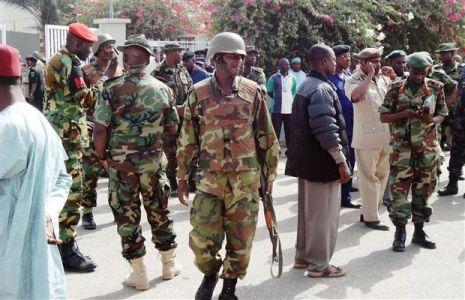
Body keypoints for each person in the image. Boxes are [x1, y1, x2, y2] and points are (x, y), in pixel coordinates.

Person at [177, 32, 279, 300]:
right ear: (217, 58)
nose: (239, 61)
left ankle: (229, 287)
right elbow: (188, 139)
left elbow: (267, 138)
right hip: (209, 182)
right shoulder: (198, 94)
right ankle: (210, 273)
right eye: (233, 56)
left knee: (241, 241)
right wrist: (181, 178)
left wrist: (269, 177)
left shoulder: (252, 92)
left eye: (241, 57)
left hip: (245, 182)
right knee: (202, 242)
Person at [93, 34, 182, 291]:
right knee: (160, 211)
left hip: (121, 166)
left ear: (125, 56)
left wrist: (102, 158)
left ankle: (139, 273)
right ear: (148, 58)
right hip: (153, 163)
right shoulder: (162, 88)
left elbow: (100, 130)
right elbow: (172, 127)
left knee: (127, 217)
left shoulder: (110, 88)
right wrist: (156, 148)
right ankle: (168, 265)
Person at [0, 44, 71, 299]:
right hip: (36, 246)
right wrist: (47, 213)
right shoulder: (39, 120)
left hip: (10, 247)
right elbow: (63, 178)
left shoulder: (6, 126)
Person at [286, 43, 350, 277]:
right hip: (322, 164)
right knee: (323, 216)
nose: (336, 64)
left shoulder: (306, 85)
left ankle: (303, 258)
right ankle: (319, 265)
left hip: (308, 164)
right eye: (333, 60)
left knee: (309, 215)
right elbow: (327, 130)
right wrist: (341, 161)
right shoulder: (322, 89)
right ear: (323, 61)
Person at [379, 52, 448, 252]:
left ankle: (419, 231)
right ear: (408, 68)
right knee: (399, 193)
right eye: (415, 72)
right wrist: (405, 114)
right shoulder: (395, 89)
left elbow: (442, 113)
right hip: (402, 151)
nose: (418, 76)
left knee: (423, 191)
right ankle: (400, 231)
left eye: (422, 72)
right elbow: (383, 117)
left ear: (427, 70)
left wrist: (431, 120)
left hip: (427, 150)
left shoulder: (436, 88)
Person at [44, 22, 98, 272]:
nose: (90, 51)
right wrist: (99, 85)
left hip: (60, 133)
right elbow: (85, 99)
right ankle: (67, 250)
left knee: (59, 190)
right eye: (88, 46)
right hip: (68, 137)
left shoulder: (58, 59)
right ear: (77, 43)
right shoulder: (71, 64)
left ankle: (59, 245)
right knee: (71, 193)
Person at [345, 47, 391, 231]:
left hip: (385, 135)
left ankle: (369, 210)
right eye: (373, 61)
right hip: (366, 138)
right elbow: (356, 97)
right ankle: (371, 217)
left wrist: (391, 78)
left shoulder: (383, 79)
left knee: (382, 176)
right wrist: (370, 76)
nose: (378, 64)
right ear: (362, 63)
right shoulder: (353, 80)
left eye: (379, 60)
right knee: (368, 178)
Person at [80, 33, 120, 230]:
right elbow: (81, 98)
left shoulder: (119, 70)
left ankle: (116, 207)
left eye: (113, 46)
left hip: (114, 129)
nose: (111, 50)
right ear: (98, 49)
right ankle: (87, 212)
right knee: (90, 172)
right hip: (94, 128)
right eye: (107, 47)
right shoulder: (86, 71)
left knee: (115, 171)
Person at [151, 43, 193, 195]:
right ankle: (171, 183)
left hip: (185, 117)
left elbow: (190, 90)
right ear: (168, 53)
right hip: (169, 119)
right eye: (177, 51)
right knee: (170, 151)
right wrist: (175, 110)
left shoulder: (182, 70)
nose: (181, 54)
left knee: (187, 148)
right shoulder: (157, 73)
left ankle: (186, 180)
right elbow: (156, 99)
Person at [328, 45, 360, 209]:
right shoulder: (330, 79)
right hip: (339, 127)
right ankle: (343, 197)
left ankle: (346, 192)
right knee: (341, 160)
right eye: (344, 57)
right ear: (336, 58)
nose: (348, 59)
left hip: (352, 124)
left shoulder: (348, 76)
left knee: (351, 159)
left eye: (349, 56)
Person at [433, 42, 464, 151]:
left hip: (456, 110)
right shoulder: (435, 69)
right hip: (439, 108)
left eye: (445, 53)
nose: (442, 56)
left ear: (453, 53)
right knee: (437, 140)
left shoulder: (461, 69)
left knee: (458, 140)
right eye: (441, 53)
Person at [267, 58, 297, 150]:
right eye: (285, 64)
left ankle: (290, 151)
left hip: (289, 110)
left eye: (288, 64)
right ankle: (275, 151)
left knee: (290, 132)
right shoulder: (273, 78)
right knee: (275, 132)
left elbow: (294, 92)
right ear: (279, 66)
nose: (287, 66)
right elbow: (269, 91)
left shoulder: (292, 78)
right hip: (276, 110)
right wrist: (278, 98)